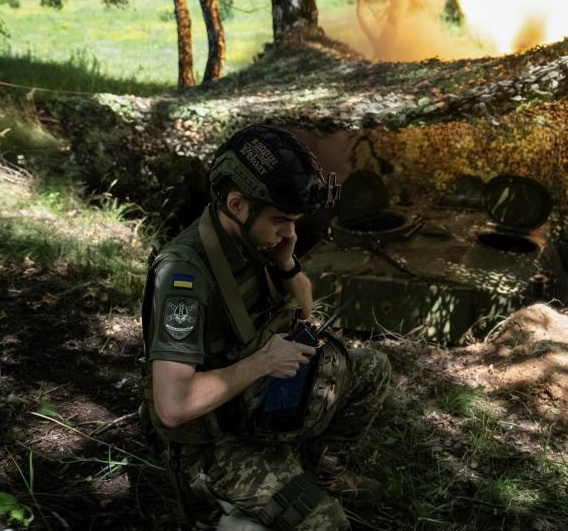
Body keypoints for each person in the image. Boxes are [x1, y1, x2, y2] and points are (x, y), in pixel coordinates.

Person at [140, 124, 391, 530]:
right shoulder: (183, 276)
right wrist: (263, 362)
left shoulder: (253, 242)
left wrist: (288, 263)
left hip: (258, 403)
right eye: (280, 219)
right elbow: (172, 406)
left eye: (293, 221)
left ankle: (311, 466)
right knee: (327, 524)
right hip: (216, 443)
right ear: (238, 204)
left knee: (372, 367)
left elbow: (305, 310)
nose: (289, 231)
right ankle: (221, 507)